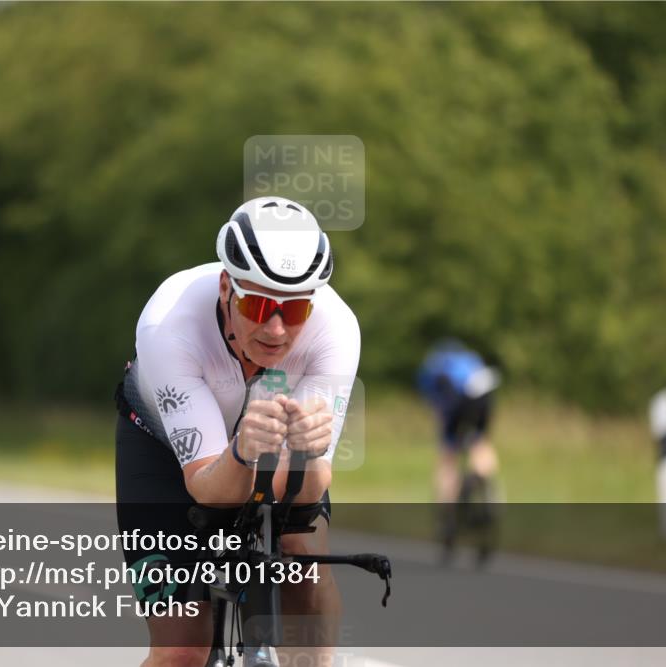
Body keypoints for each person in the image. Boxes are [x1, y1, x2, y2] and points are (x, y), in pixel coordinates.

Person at [114, 196, 360, 666]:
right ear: (227, 285)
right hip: (165, 449)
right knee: (182, 648)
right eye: (260, 304)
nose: (275, 329)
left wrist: (308, 456)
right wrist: (243, 454)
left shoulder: (337, 329)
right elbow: (207, 486)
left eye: (294, 312)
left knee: (304, 560)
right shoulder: (169, 324)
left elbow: (308, 492)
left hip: (266, 453)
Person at [417, 340, 500, 562]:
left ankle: (447, 515)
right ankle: (485, 483)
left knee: (448, 456)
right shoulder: (470, 358)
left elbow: (439, 408)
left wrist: (447, 435)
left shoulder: (432, 369)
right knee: (479, 443)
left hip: (457, 399)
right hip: (485, 392)